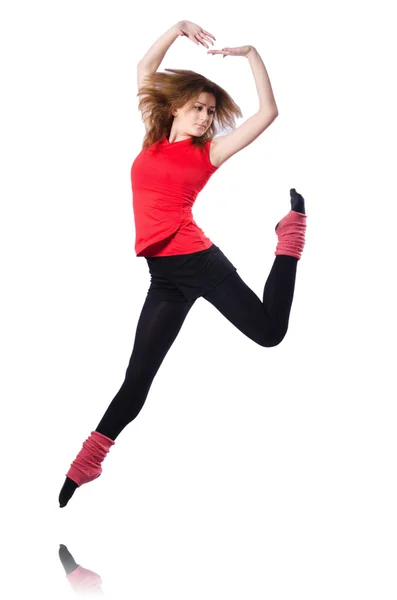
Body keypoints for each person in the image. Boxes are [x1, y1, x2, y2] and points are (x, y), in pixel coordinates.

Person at [59, 20, 307, 508]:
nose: (203, 117)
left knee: (270, 333)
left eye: (210, 111)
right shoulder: (153, 138)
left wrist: (253, 53)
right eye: (197, 108)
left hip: (199, 263)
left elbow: (268, 112)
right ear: (175, 106)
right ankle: (88, 461)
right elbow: (144, 67)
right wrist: (176, 29)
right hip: (164, 277)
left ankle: (290, 239)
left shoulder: (208, 152)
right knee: (137, 379)